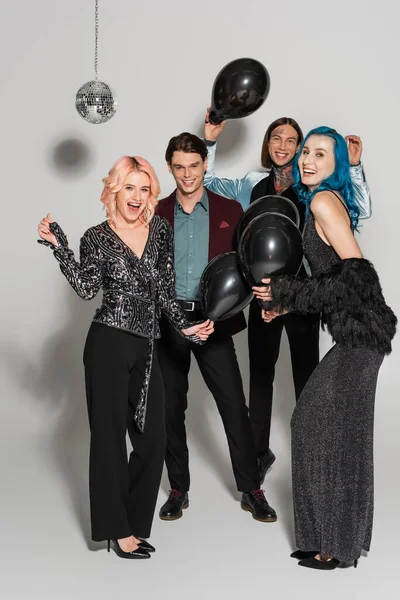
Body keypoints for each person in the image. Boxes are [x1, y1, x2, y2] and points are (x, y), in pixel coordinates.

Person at [37, 156, 213, 559]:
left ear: (151, 193)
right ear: (114, 190)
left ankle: (132, 522)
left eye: (144, 188)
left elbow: (166, 292)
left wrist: (185, 327)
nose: (137, 196)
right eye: (129, 187)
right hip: (108, 343)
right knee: (109, 441)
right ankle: (118, 532)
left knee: (153, 440)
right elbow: (85, 288)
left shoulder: (161, 232)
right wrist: (59, 248)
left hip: (149, 345)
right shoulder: (96, 236)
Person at [254, 126, 396, 569]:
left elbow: (356, 275)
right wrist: (286, 302)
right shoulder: (322, 200)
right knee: (335, 431)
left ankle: (334, 544)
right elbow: (329, 280)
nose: (307, 160)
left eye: (321, 154)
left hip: (360, 335)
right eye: (306, 152)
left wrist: (286, 292)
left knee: (316, 423)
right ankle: (331, 540)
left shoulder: (320, 201)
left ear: (335, 165)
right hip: (361, 334)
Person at [202, 111, 372, 481]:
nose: (284, 145)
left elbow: (355, 221)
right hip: (263, 298)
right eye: (276, 138)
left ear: (299, 151)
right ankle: (260, 455)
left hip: (304, 298)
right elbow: (209, 181)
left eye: (292, 141)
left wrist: (354, 168)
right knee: (260, 378)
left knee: (307, 382)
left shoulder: (312, 190)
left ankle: (311, 460)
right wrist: (210, 143)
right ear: (267, 144)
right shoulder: (252, 183)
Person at [156, 133, 277, 523]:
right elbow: (148, 271)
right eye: (179, 166)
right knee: (171, 408)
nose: (187, 174)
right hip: (170, 322)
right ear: (170, 168)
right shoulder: (155, 212)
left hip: (215, 322)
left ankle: (251, 488)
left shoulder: (230, 209)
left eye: (194, 166)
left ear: (205, 165)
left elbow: (245, 267)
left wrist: (226, 312)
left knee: (233, 407)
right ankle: (178, 489)